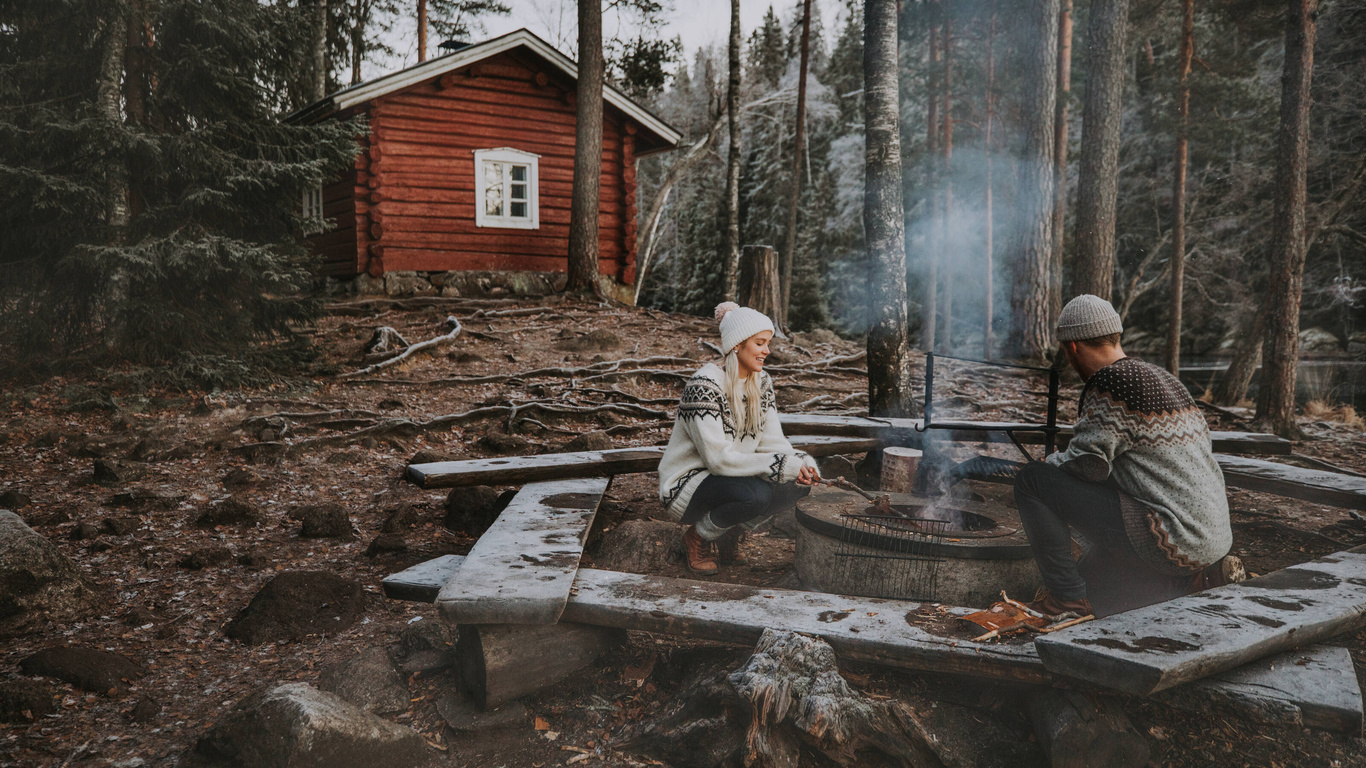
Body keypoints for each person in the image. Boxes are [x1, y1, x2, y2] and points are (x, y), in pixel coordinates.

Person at [1013, 294, 1235, 617]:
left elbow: (1087, 464)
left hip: (1171, 540)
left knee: (1032, 481)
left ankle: (1066, 599)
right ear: (1115, 336)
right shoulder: (1169, 382)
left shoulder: (1111, 381)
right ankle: (1194, 581)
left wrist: (1050, 464)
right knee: (1098, 591)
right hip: (1211, 540)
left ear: (1072, 348)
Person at [658, 302, 821, 574]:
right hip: (689, 483)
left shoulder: (761, 381)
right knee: (755, 495)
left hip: (734, 476)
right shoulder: (705, 385)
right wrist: (780, 465)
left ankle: (728, 531)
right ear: (737, 345)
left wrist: (802, 464)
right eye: (760, 343)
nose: (767, 351)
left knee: (797, 485)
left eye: (767, 343)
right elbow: (718, 460)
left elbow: (773, 442)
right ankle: (698, 536)